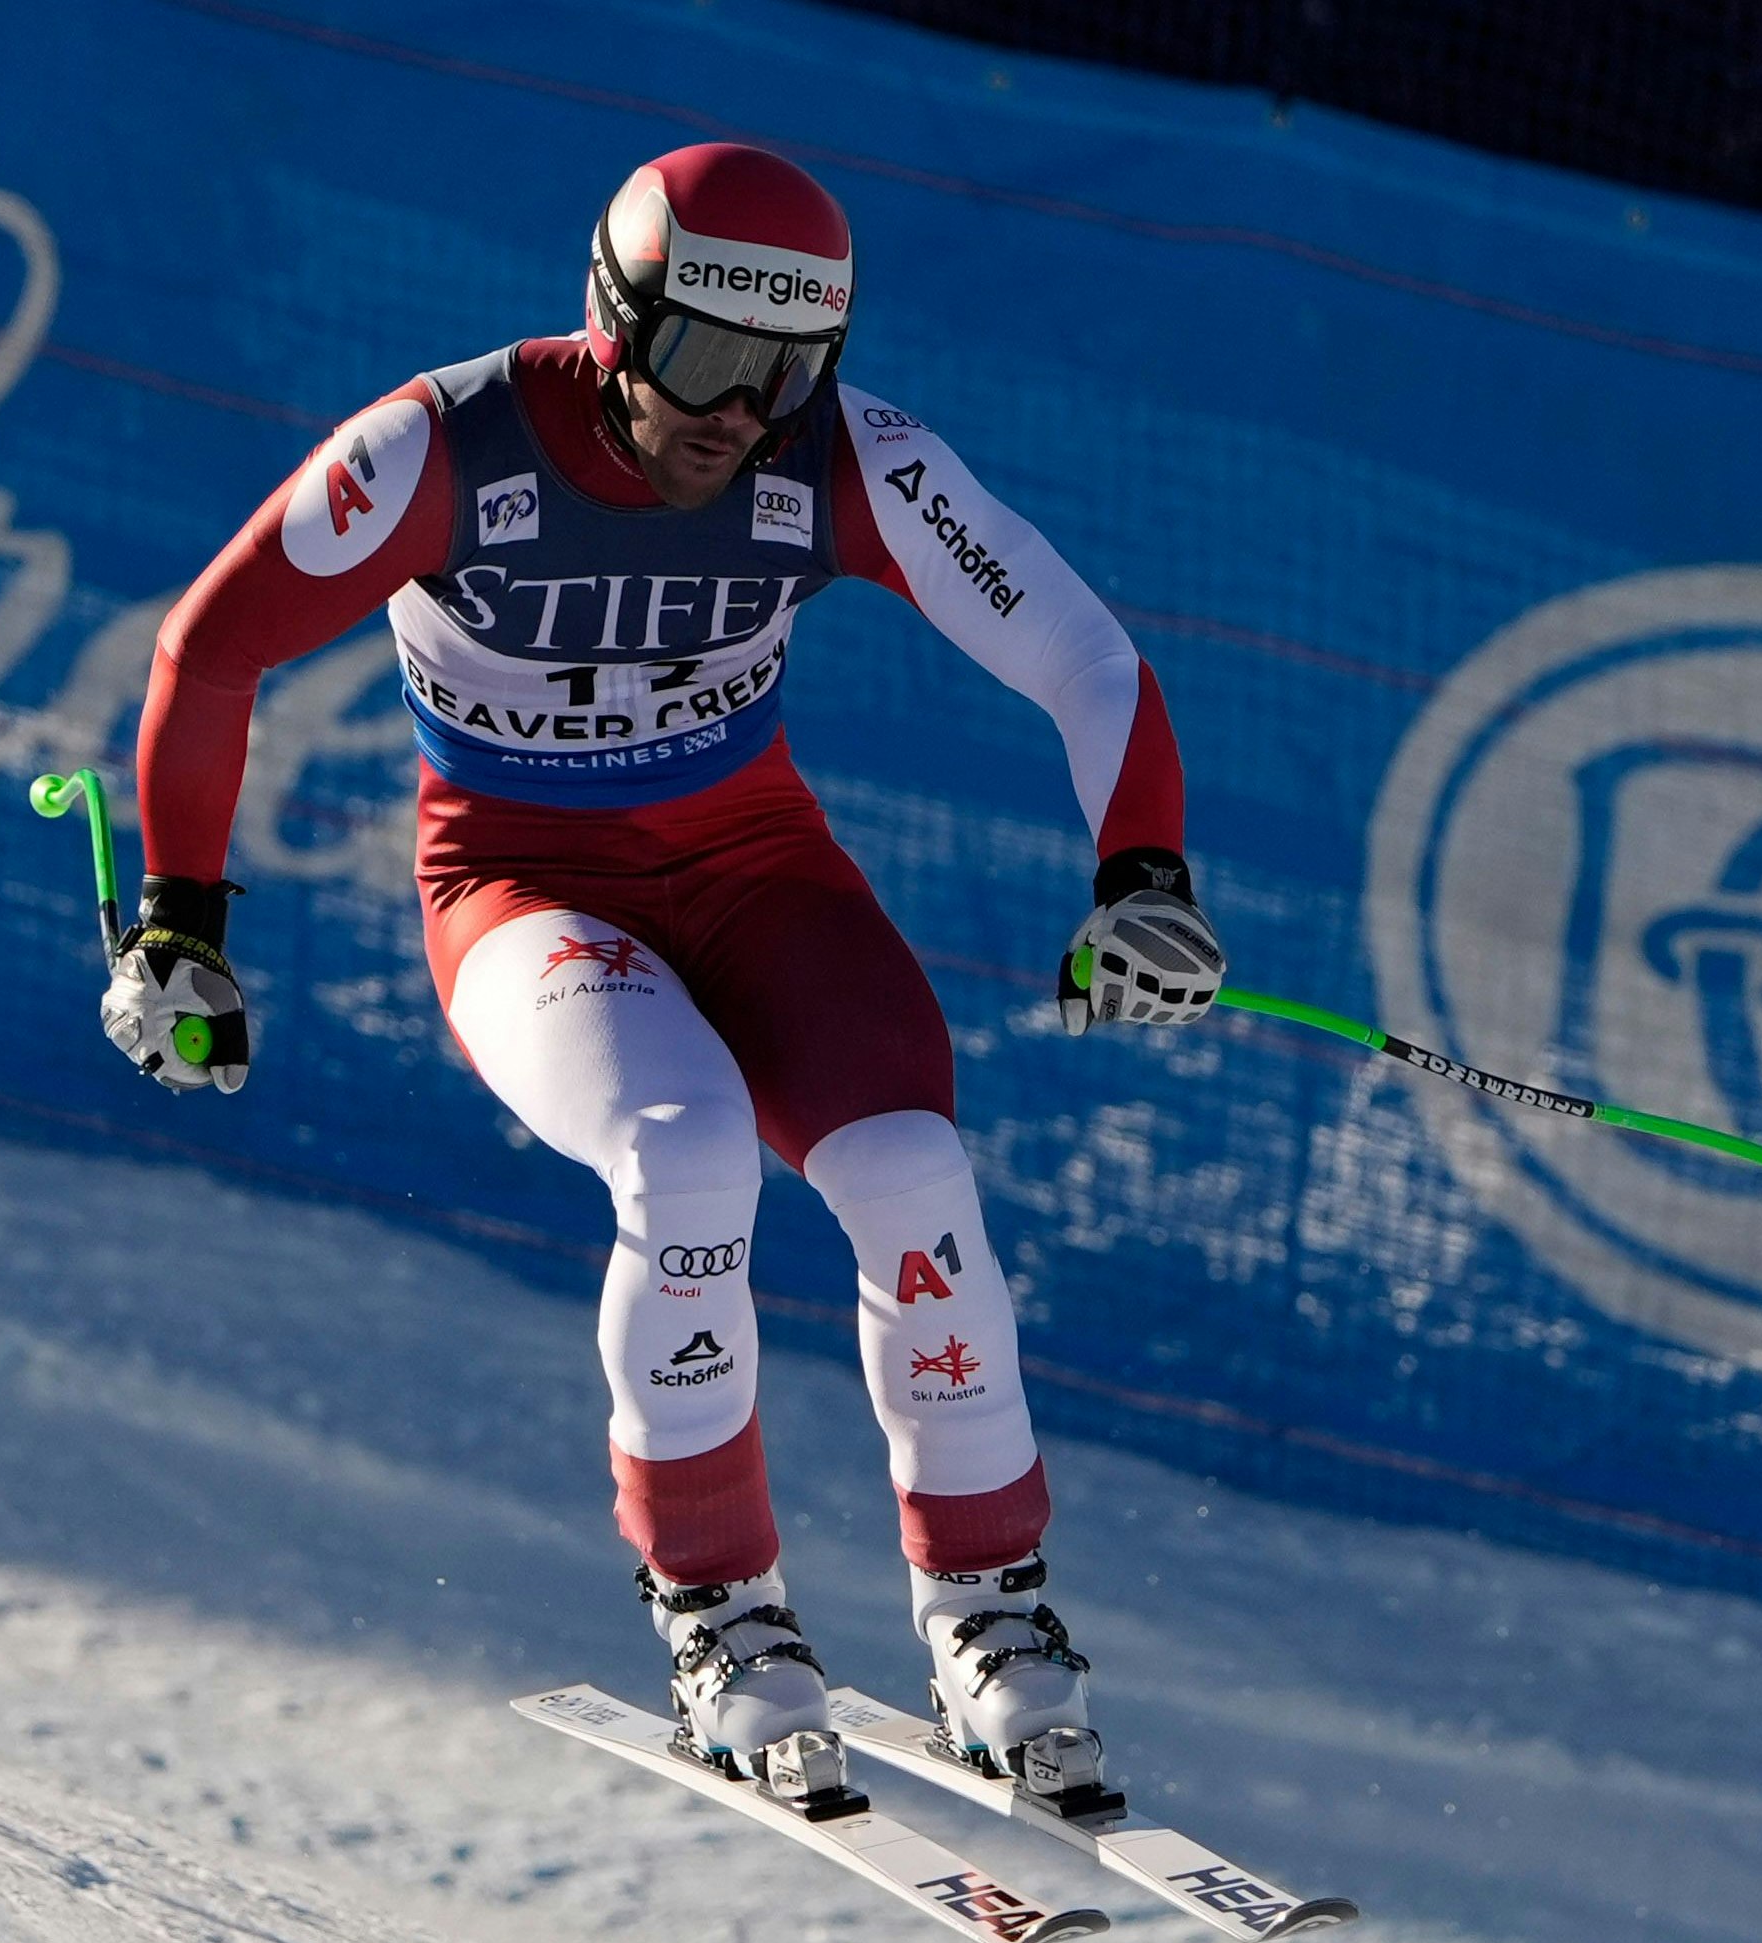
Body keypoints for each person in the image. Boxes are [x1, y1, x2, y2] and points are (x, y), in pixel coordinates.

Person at [101, 142, 1226, 1803]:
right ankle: (720, 1611)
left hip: (755, 868)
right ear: (616, 322)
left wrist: (1141, 876)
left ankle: (989, 1607)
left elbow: (1081, 654)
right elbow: (214, 642)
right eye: (705, 361)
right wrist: (179, 924)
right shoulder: (439, 448)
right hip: (521, 886)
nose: (738, 415)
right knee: (686, 1155)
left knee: (916, 1173)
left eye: (788, 376)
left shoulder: (844, 461)